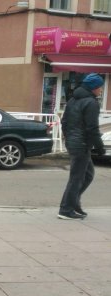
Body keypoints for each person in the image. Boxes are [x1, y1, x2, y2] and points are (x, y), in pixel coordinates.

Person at [58, 73, 106, 220]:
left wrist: (69, 138)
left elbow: (64, 121)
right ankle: (65, 209)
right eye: (100, 87)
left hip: (74, 143)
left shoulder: (73, 100)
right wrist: (99, 147)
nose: (101, 90)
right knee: (76, 178)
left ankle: (73, 202)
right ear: (93, 88)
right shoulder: (91, 103)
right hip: (81, 144)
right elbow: (92, 128)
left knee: (88, 175)